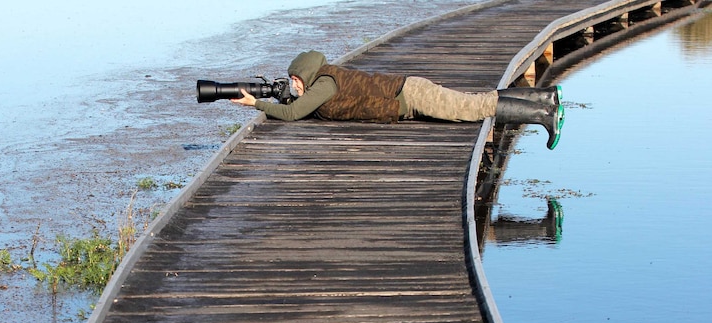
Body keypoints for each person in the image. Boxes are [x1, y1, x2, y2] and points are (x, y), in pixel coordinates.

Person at [232, 50, 564, 150]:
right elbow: (299, 108)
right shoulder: (325, 78)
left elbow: (292, 116)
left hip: (411, 97)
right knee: (475, 101)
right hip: (408, 91)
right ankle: (545, 96)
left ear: (305, 75)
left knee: (475, 108)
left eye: (294, 80)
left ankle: (545, 115)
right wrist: (282, 99)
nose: (292, 86)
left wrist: (255, 103)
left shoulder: (323, 85)